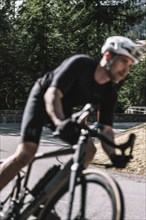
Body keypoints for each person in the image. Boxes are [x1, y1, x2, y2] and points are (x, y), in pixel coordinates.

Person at [0, 36, 143, 191]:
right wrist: (60, 121)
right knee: (26, 153)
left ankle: (48, 194)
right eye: (123, 61)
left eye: (129, 65)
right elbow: (52, 95)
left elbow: (106, 129)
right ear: (108, 56)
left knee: (89, 151)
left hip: (63, 110)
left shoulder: (109, 93)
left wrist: (114, 156)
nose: (126, 70)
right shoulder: (80, 64)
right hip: (43, 98)